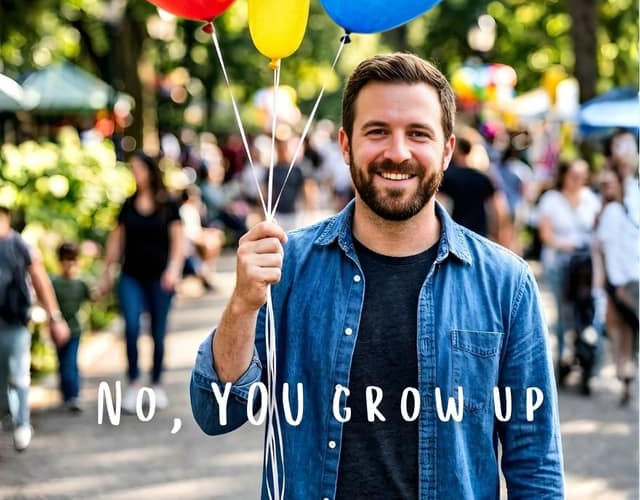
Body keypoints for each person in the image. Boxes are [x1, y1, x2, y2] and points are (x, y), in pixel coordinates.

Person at [191, 53, 564, 498]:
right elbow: (215, 412)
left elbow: (535, 465)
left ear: (447, 150)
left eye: (418, 133)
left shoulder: (505, 284)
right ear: (346, 145)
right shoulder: (287, 269)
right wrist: (241, 305)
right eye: (377, 131)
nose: (398, 152)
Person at [98, 151, 183, 413]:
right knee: (132, 327)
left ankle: (156, 383)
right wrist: (106, 274)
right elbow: (116, 242)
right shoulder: (127, 204)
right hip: (131, 276)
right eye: (132, 169)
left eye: (139, 168)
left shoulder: (169, 205)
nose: (135, 173)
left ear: (150, 171)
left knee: (158, 331)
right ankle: (134, 383)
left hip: (160, 277)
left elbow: (178, 242)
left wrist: (173, 270)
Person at [0, 205, 70, 451]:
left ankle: (22, 423)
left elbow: (40, 279)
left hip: (16, 321)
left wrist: (55, 317)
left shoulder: (19, 246)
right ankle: (10, 415)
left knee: (18, 374)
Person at [537, 158, 600, 387]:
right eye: (574, 176)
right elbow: (545, 234)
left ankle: (586, 362)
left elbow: (598, 229)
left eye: (582, 177)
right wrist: (566, 245)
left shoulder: (590, 199)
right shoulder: (551, 199)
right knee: (563, 313)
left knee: (587, 312)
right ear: (564, 175)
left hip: (585, 266)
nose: (577, 181)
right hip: (559, 263)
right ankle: (561, 360)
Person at [592, 164, 639, 404]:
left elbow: (605, 249)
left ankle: (623, 368)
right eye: (604, 184)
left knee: (618, 327)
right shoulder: (613, 210)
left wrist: (609, 282)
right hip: (624, 278)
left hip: (619, 279)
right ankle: (625, 369)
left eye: (611, 183)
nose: (608, 187)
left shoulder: (614, 211)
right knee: (625, 328)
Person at [438, 135, 510, 244]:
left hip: (454, 236)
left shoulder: (447, 177)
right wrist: (500, 237)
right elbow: (499, 210)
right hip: (479, 236)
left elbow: (439, 205)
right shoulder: (483, 178)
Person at [50, 241, 92, 411]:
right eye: (66, 260)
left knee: (70, 363)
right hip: (57, 331)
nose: (70, 264)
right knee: (62, 363)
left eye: (73, 259)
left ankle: (74, 395)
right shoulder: (54, 283)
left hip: (75, 330)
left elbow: (93, 297)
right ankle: (66, 395)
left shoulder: (81, 283)